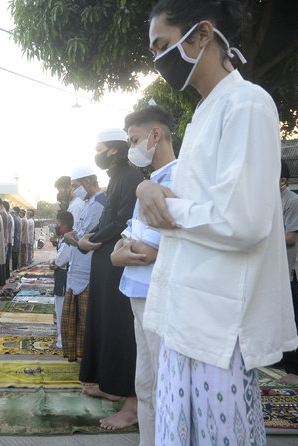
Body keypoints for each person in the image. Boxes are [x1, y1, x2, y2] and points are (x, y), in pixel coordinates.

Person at [139, 1, 297, 443]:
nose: (158, 60)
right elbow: (203, 206)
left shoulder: (247, 104)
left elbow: (241, 220)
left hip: (218, 323)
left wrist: (167, 209)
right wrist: (156, 192)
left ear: (202, 34)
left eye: (163, 45)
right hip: (187, 315)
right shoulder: (205, 112)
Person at [110, 105, 177, 443]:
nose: (132, 147)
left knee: (164, 383)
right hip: (139, 294)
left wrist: (124, 252)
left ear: (156, 134)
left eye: (135, 139)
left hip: (157, 294)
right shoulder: (151, 182)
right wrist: (124, 249)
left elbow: (149, 250)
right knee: (146, 383)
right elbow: (127, 239)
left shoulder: (177, 178)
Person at [78, 128, 144, 430]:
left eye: (100, 147)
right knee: (106, 326)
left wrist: (90, 239)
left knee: (121, 330)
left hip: (120, 266)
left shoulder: (131, 178)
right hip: (107, 263)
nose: (98, 153)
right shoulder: (117, 178)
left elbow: (122, 223)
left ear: (113, 151)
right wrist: (91, 238)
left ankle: (132, 406)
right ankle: (110, 384)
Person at [61, 165, 105, 362]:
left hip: (87, 270)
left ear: (87, 182)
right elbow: (78, 233)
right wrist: (75, 238)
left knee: (86, 318)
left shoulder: (99, 204)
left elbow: (85, 238)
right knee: (76, 316)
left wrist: (73, 239)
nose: (73, 190)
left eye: (75, 185)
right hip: (78, 267)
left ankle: (89, 360)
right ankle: (80, 356)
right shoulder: (90, 202)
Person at [276, 161, 298, 386]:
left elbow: (291, 238)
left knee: (292, 319)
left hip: (288, 270)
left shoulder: (293, 202)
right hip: (270, 271)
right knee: (273, 318)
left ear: (282, 181)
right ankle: (278, 358)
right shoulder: (267, 201)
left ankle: (296, 369)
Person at [50, 210, 74, 349]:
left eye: (58, 224)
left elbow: (58, 262)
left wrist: (53, 264)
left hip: (63, 280)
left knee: (61, 311)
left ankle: (62, 341)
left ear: (64, 225)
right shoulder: (66, 238)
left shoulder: (67, 241)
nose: (56, 226)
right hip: (64, 278)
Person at [3, 201, 14, 280]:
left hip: (8, 240)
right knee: (7, 259)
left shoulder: (7, 216)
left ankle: (6, 275)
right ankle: (7, 274)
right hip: (9, 240)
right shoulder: (9, 216)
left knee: (6, 260)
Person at [12, 206, 21, 271]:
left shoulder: (14, 219)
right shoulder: (17, 219)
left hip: (14, 237)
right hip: (16, 237)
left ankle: (14, 267)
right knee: (15, 252)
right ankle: (15, 266)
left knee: (14, 253)